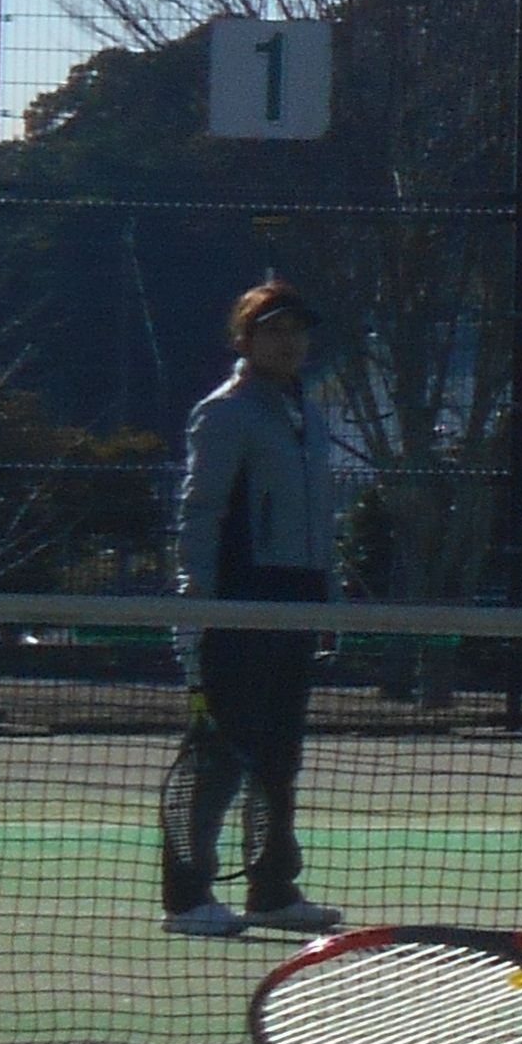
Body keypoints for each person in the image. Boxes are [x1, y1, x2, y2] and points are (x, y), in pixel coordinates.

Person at [161, 280, 344, 937]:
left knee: (279, 755)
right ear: (244, 340)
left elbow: (321, 519)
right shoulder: (225, 412)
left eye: (296, 329)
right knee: (220, 753)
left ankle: (273, 890)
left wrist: (329, 603)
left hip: (298, 600)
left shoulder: (310, 415)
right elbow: (200, 513)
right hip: (239, 600)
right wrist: (200, 608)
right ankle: (187, 898)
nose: (289, 340)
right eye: (272, 329)